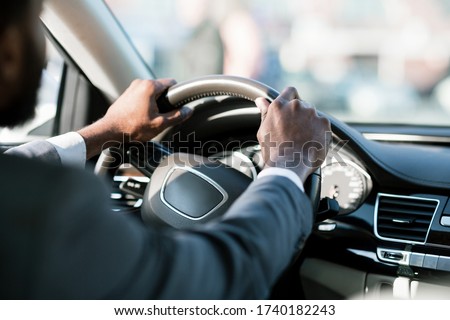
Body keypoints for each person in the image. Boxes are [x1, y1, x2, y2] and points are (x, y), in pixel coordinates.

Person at [0, 0, 331, 299]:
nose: (44, 53)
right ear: (9, 52)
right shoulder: (47, 211)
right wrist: (288, 164)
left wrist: (107, 131)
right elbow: (217, 279)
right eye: (36, 23)